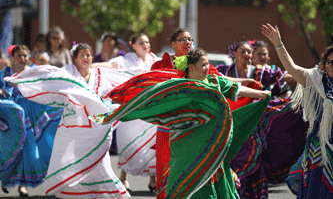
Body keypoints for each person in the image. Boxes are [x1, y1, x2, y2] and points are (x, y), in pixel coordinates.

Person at [90, 48, 271, 198]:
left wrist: (263, 95)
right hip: (185, 146)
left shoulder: (214, 81)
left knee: (216, 187)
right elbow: (152, 97)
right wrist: (125, 107)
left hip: (211, 147)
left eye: (208, 64)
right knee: (184, 185)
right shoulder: (179, 88)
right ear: (191, 66)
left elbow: (237, 89)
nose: (208, 67)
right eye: (203, 65)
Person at [5, 43, 132, 198]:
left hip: (95, 125)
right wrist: (23, 79)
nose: (86, 58)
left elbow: (108, 93)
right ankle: (75, 189)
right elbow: (50, 77)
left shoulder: (99, 75)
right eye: (82, 55)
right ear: (75, 58)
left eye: (88, 55)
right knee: (72, 156)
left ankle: (101, 189)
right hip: (74, 123)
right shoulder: (68, 72)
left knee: (100, 158)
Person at [216, 40, 308, 199]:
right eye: (243, 51)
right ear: (234, 53)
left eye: (249, 52)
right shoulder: (224, 71)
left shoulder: (259, 72)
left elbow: (284, 76)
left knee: (254, 157)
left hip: (253, 125)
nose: (246, 55)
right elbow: (211, 79)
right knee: (231, 161)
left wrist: (309, 76)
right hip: (231, 124)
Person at [262, 23, 333, 198]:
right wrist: (278, 44)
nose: (332, 65)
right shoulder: (317, 79)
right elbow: (293, 69)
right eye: (329, 62)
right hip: (320, 147)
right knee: (317, 189)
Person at [93, 33, 161, 192]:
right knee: (128, 141)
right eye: (141, 42)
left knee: (151, 143)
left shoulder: (154, 60)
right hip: (131, 108)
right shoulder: (126, 60)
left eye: (147, 42)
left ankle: (153, 180)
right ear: (133, 45)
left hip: (149, 108)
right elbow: (112, 67)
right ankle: (123, 178)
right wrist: (92, 66)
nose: (145, 45)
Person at [0, 45, 63, 197]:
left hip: (35, 112)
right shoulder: (5, 73)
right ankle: (13, 181)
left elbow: (48, 82)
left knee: (37, 148)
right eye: (19, 56)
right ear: (13, 58)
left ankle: (32, 184)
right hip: (13, 117)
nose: (22, 59)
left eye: (25, 55)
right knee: (16, 149)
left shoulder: (34, 70)